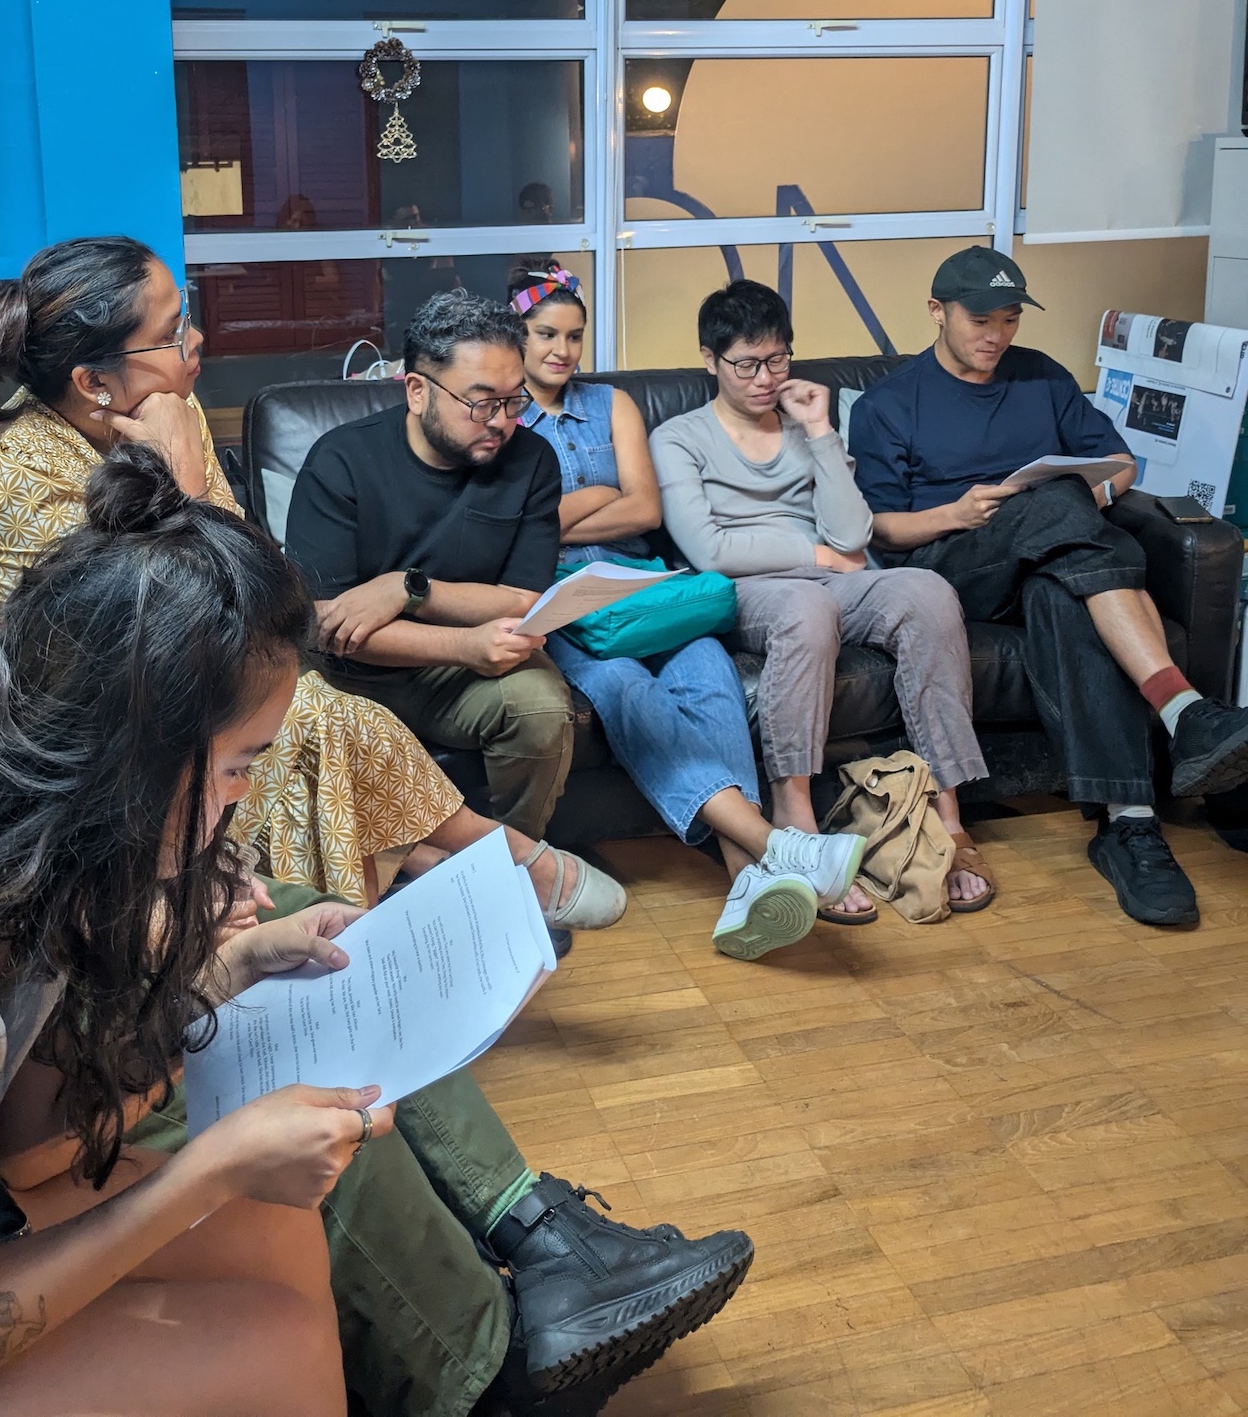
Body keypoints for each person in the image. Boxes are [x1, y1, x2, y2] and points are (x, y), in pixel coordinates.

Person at [0, 448, 387, 1416]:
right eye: (238, 767)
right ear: (135, 756)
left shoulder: (20, 831)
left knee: (270, 1227)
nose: (240, 802)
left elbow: (31, 1142)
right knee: (270, 1337)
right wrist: (209, 1168)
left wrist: (231, 971)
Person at [0, 237, 594, 918]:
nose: (197, 339)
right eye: (172, 331)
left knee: (317, 713)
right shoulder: (7, 478)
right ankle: (478, 862)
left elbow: (254, 590)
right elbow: (159, 628)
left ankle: (432, 884)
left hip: (191, 675)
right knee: (315, 716)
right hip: (82, 719)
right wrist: (179, 477)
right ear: (94, 382)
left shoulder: (174, 414)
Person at [848, 245, 1248, 927]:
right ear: (936, 312)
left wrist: (1093, 496)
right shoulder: (892, 403)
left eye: (1008, 319)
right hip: (955, 564)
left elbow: (1119, 462)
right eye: (980, 319)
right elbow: (879, 529)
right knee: (1056, 503)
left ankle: (1131, 823)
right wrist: (956, 513)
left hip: (1049, 556)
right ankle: (1183, 711)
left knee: (1061, 588)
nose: (995, 335)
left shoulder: (1042, 378)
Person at [510, 263, 863, 960]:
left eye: (575, 336)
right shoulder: (497, 411)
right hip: (556, 598)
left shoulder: (611, 404)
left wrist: (560, 514)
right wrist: (585, 507)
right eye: (546, 334)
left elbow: (644, 508)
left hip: (647, 583)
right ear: (515, 336)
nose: (561, 350)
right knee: (624, 689)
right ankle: (763, 860)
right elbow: (515, 533)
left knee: (711, 678)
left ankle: (748, 886)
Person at [650, 280, 995, 922]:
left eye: (777, 360)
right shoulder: (679, 437)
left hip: (834, 577)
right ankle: (795, 815)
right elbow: (711, 550)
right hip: (749, 590)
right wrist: (812, 556)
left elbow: (853, 533)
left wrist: (818, 430)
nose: (764, 378)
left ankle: (949, 816)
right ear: (709, 359)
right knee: (808, 611)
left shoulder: (807, 426)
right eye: (746, 364)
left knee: (927, 591)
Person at [284, 290, 626, 933]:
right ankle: (432, 871)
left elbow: (525, 601)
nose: (500, 420)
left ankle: (504, 883)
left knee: (540, 706)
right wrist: (460, 642)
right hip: (349, 677)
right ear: (417, 390)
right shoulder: (342, 460)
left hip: (465, 676)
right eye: (480, 402)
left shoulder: (530, 461)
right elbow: (328, 627)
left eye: (513, 399)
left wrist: (409, 589)